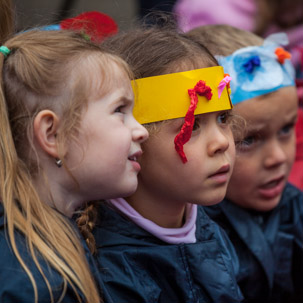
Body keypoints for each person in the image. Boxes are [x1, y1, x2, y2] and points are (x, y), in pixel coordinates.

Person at [78, 25, 244, 303]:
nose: (222, 142)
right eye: (191, 126)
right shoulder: (104, 269)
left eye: (223, 119)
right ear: (133, 138)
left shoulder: (213, 233)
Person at [0, 24, 148, 302]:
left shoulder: (45, 247)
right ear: (52, 135)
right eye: (120, 111)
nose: (142, 131)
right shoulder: (37, 284)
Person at [186, 24, 303, 302]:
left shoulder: (294, 208)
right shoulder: (190, 239)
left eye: (286, 129)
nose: (278, 158)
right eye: (249, 140)